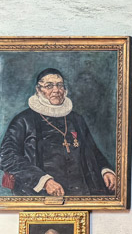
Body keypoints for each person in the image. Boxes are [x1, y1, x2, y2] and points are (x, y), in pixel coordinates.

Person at [0, 68, 117, 197]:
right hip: (41, 195)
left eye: (60, 85)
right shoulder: (24, 120)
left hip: (82, 193)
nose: (56, 90)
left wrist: (105, 170)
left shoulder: (76, 119)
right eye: (49, 86)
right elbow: (6, 157)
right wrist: (43, 181)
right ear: (38, 90)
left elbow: (93, 151)